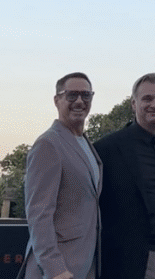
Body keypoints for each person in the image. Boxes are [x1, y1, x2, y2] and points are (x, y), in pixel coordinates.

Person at [95, 73, 155, 279]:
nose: (154, 104)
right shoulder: (108, 149)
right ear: (133, 103)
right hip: (132, 259)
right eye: (147, 99)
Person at [20, 72, 101, 279]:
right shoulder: (48, 144)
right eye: (72, 95)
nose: (80, 101)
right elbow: (39, 215)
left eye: (86, 95)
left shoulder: (85, 145)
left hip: (85, 263)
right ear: (57, 101)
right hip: (58, 270)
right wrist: (55, 270)